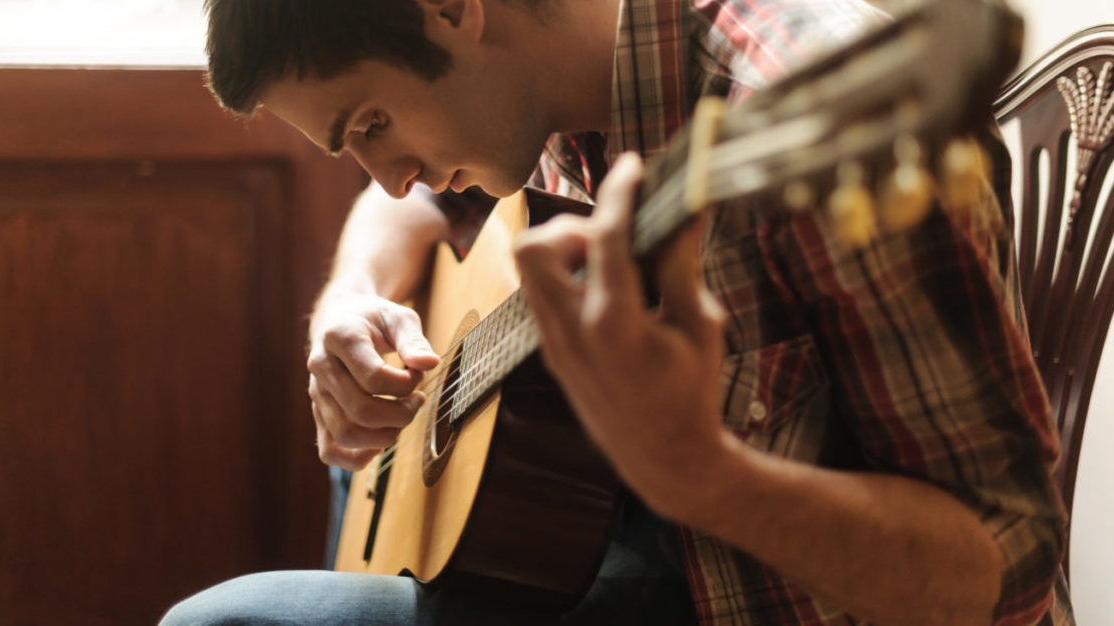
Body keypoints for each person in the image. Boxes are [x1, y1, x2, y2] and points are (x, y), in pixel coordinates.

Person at [162, 0, 1074, 624]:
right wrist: (348, 300)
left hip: (746, 588)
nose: (388, 170)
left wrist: (705, 476)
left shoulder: (798, 101)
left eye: (368, 125)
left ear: (449, 4)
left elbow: (1008, 579)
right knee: (369, 467)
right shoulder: (551, 81)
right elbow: (411, 201)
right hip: (599, 530)